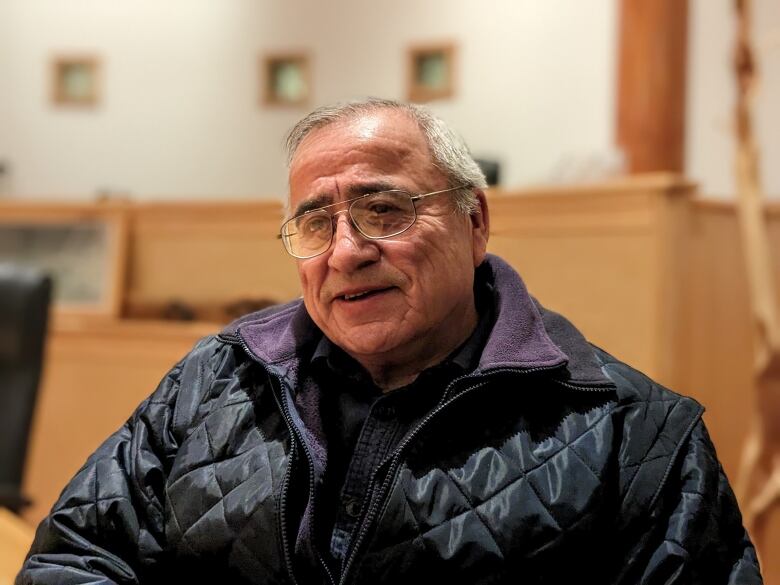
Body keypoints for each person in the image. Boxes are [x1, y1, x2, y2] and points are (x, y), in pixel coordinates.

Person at [18, 98, 762, 585]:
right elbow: (77, 556)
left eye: (383, 208)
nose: (346, 251)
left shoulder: (637, 437)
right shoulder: (218, 376)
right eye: (316, 223)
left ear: (476, 222)